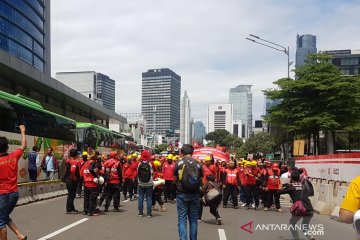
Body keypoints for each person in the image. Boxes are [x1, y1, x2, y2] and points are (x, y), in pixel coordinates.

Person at [0, 125, 27, 240]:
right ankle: (19, 235)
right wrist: (23, 131)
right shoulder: (14, 156)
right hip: (14, 194)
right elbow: (24, 145)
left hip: (2, 194)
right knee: (3, 216)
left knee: (1, 222)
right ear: (7, 147)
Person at [174, 144, 203, 240]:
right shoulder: (198, 164)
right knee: (193, 220)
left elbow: (175, 179)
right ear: (192, 152)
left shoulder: (179, 163)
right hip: (194, 194)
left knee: (182, 220)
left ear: (182, 153)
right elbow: (200, 178)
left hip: (181, 194)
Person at [278, 171, 315, 240]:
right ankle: (310, 237)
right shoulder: (304, 186)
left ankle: (296, 238)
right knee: (305, 226)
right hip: (309, 209)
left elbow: (279, 192)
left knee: (292, 223)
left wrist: (281, 185)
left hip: (300, 209)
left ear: (291, 178)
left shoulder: (290, 187)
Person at [137, 150, 155, 217]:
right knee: (149, 198)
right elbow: (152, 173)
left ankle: (140, 213)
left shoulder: (139, 163)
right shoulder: (150, 163)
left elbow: (137, 173)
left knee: (140, 197)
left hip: (140, 183)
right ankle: (149, 213)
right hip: (149, 183)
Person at [63, 148, 80, 214]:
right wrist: (73, 177)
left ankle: (72, 208)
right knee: (71, 195)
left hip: (68, 179)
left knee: (71, 194)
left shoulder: (68, 160)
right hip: (71, 180)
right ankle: (69, 209)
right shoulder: (74, 161)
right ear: (75, 154)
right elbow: (72, 170)